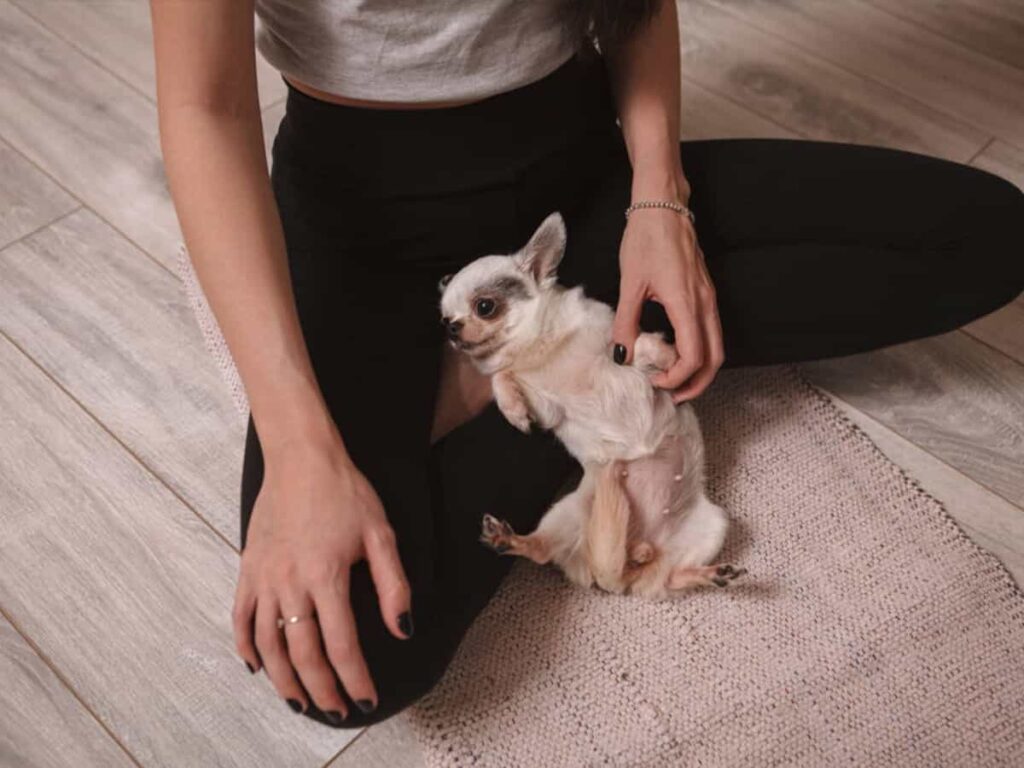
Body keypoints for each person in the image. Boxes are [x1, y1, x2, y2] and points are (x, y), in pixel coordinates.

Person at [150, 0, 1024, 728]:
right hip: (359, 221)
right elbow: (204, 107)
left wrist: (659, 199)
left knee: (985, 237)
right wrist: (302, 450)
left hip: (579, 188)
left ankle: (540, 359)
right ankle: (563, 360)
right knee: (347, 667)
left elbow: (633, 4)